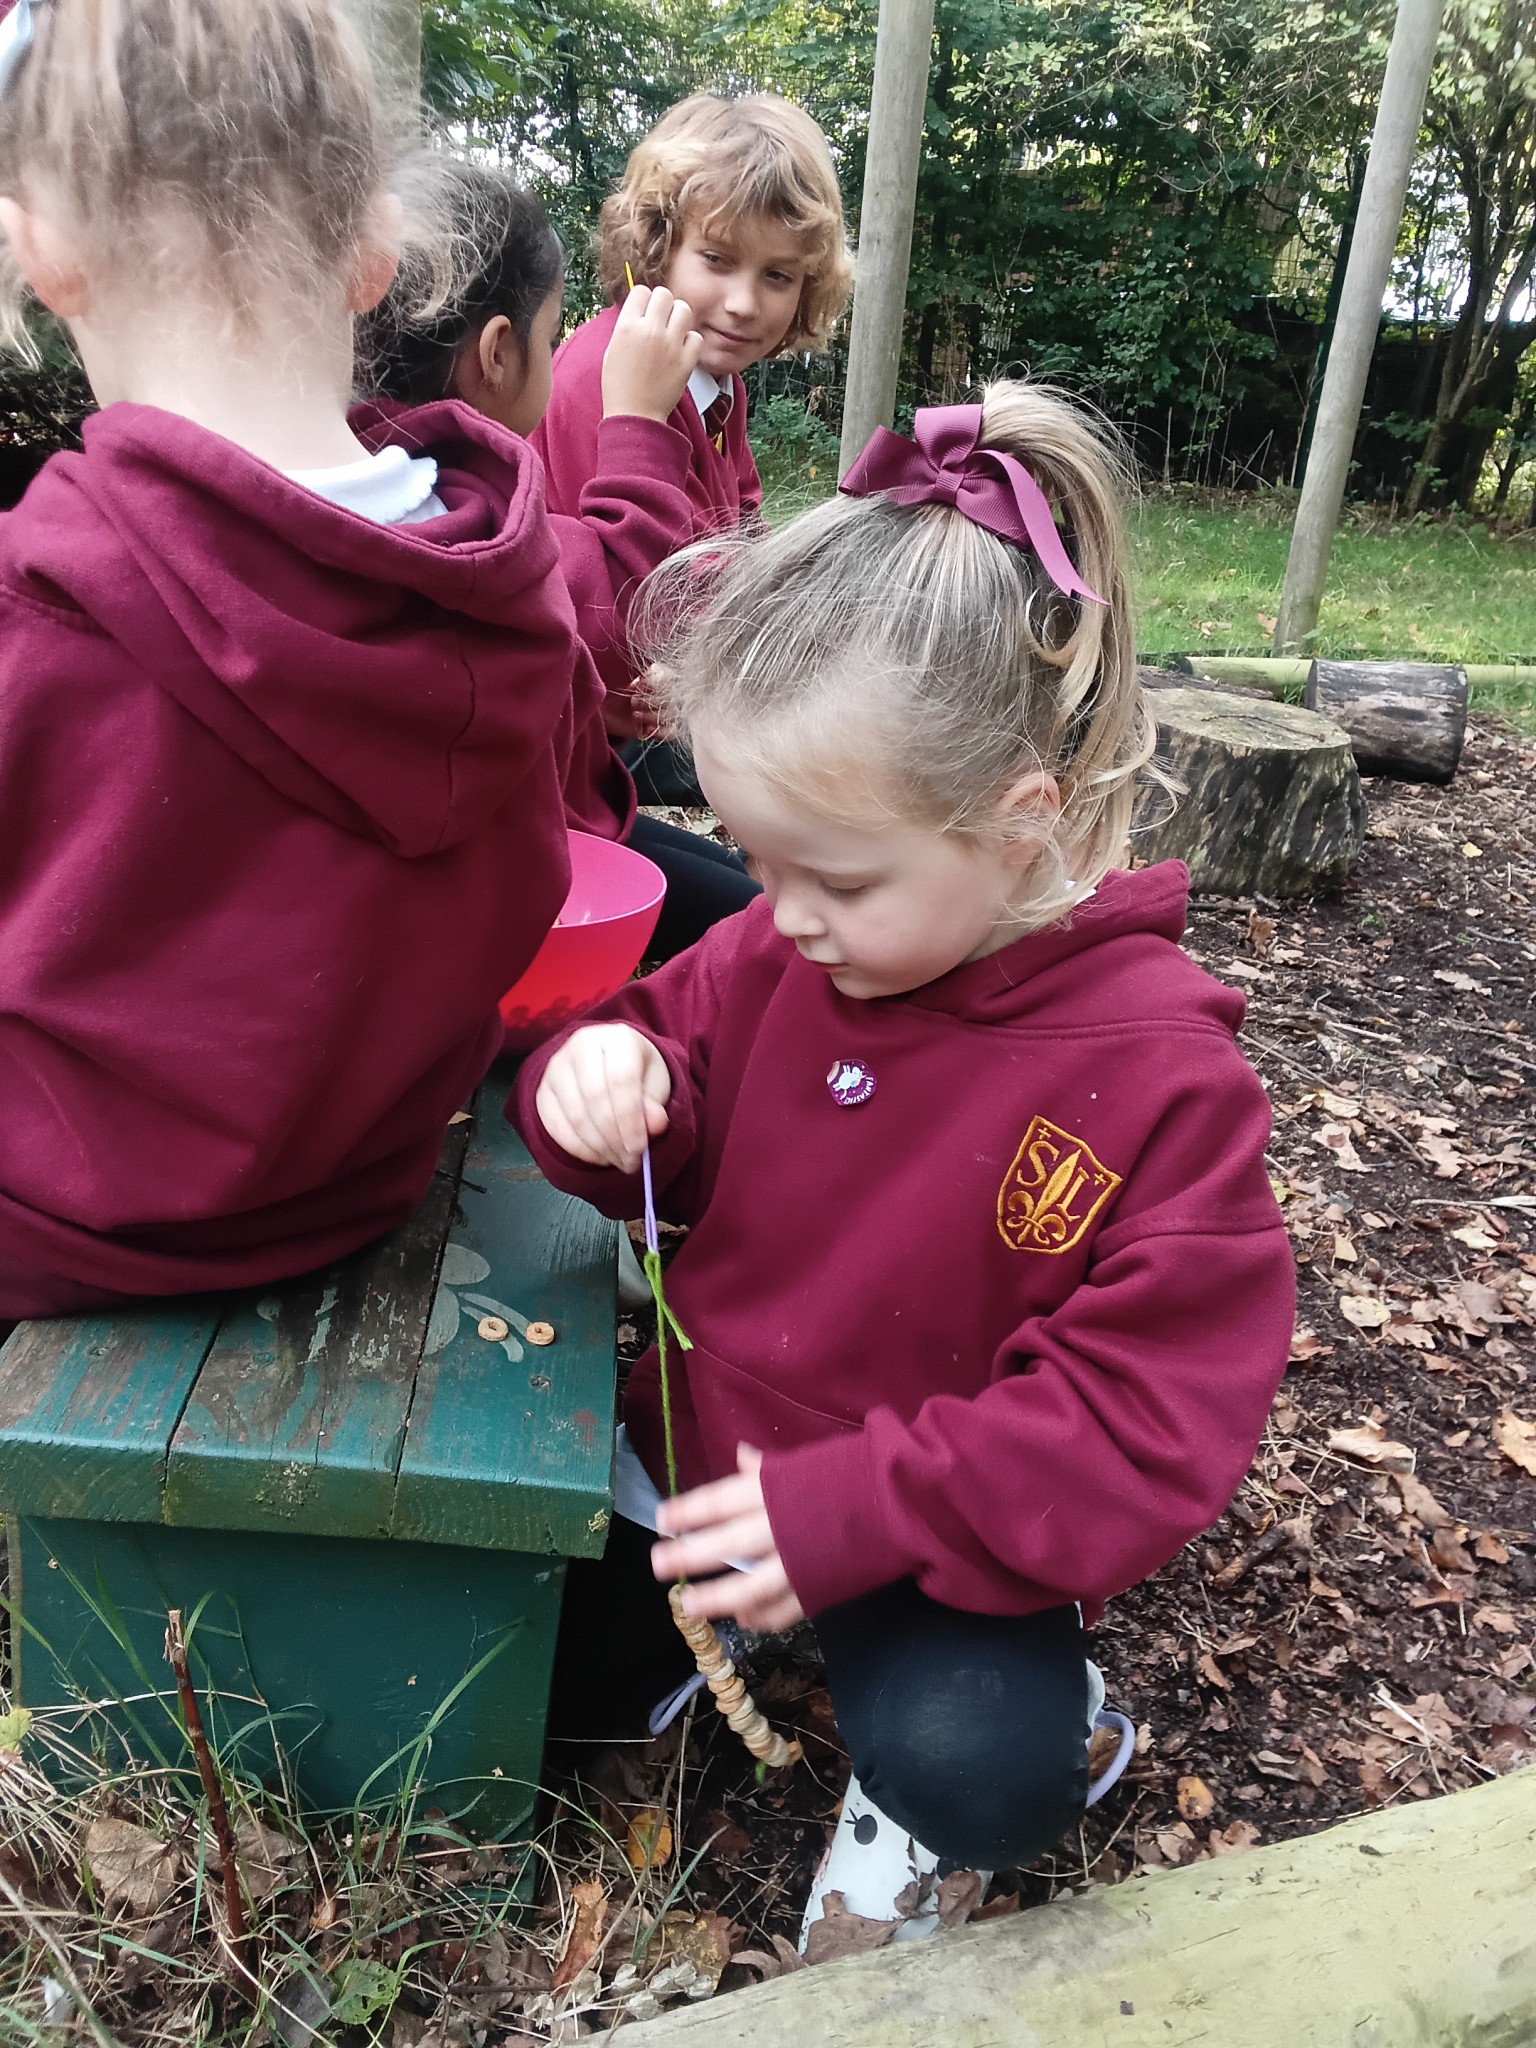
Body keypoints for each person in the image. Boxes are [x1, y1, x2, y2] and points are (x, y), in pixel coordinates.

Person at [511, 384, 1296, 1937]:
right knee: (522, 1686)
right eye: (755, 857)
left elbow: (1140, 1417)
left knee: (975, 1768)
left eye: (840, 879)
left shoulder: (1157, 1083)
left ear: (1021, 823)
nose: (780, 912)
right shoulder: (777, 953)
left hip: (934, 1537)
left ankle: (1041, 1723)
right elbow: (657, 1092)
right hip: (699, 1479)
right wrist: (603, 1084)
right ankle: (709, 1651)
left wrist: (857, 1512)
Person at [0, 0, 586, 1319]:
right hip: (360, 1183)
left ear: (41, 248)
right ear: (376, 248)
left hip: (57, 1228)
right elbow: (521, 891)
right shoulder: (498, 585)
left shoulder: (34, 605)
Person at [362, 162, 759, 959]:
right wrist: (639, 416)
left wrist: (577, 691)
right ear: (498, 354)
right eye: (550, 334)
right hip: (516, 859)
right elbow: (627, 604)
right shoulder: (460, 504)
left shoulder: (374, 466)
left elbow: (531, 638)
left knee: (730, 885)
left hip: (542, 804)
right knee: (747, 923)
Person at [532, 92, 853, 803]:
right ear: (657, 246)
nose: (744, 303)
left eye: (777, 275)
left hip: (671, 688)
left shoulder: (716, 379)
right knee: (824, 775)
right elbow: (631, 603)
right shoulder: (614, 378)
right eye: (717, 258)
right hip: (590, 729)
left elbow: (737, 529)